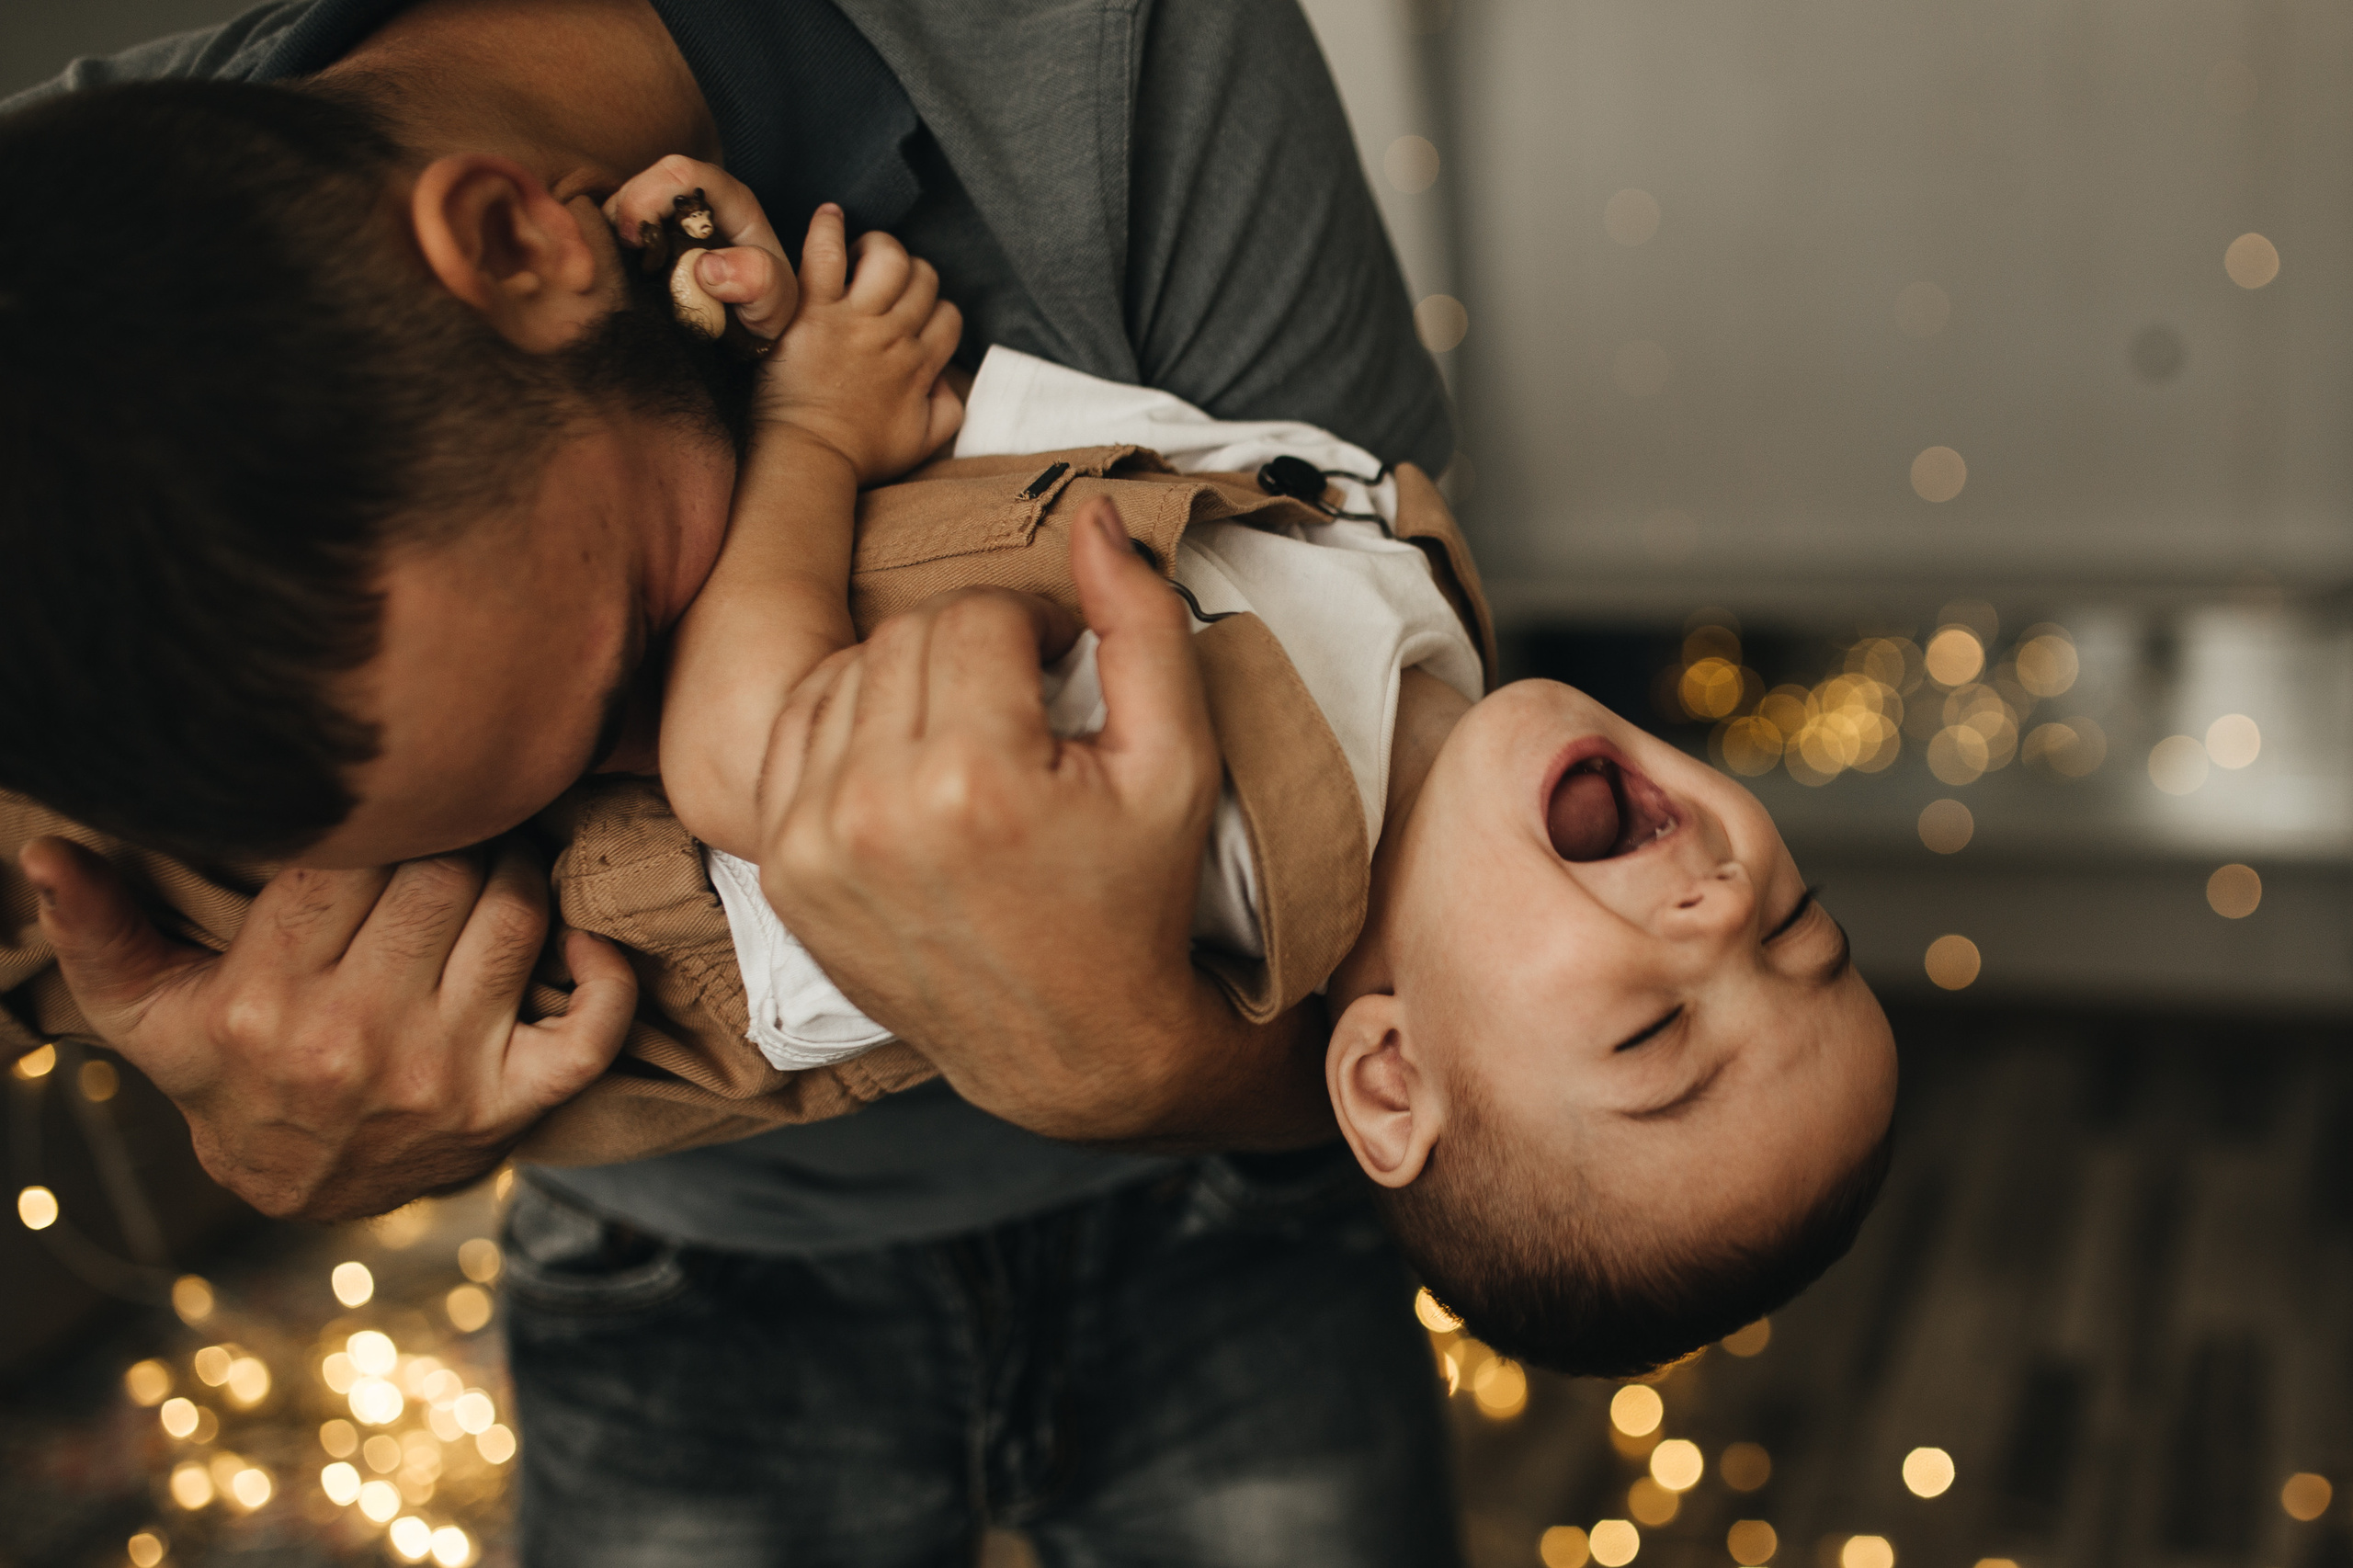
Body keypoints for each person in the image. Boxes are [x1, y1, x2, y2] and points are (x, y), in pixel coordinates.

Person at [0, 2, 1468, 1562]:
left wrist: (1148, 1070)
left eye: (637, 630)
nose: (684, 774)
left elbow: (1425, 786)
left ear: (524, 241)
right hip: (676, 1277)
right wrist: (267, 1119)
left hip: (1244, 1217)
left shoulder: (1106, 55)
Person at [623, 158, 1896, 1381]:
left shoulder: (1198, 862)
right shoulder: (1429, 612)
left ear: (1389, 1077)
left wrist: (810, 428)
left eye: (1657, 1027)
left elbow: (745, 760)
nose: (1724, 907)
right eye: (1795, 926)